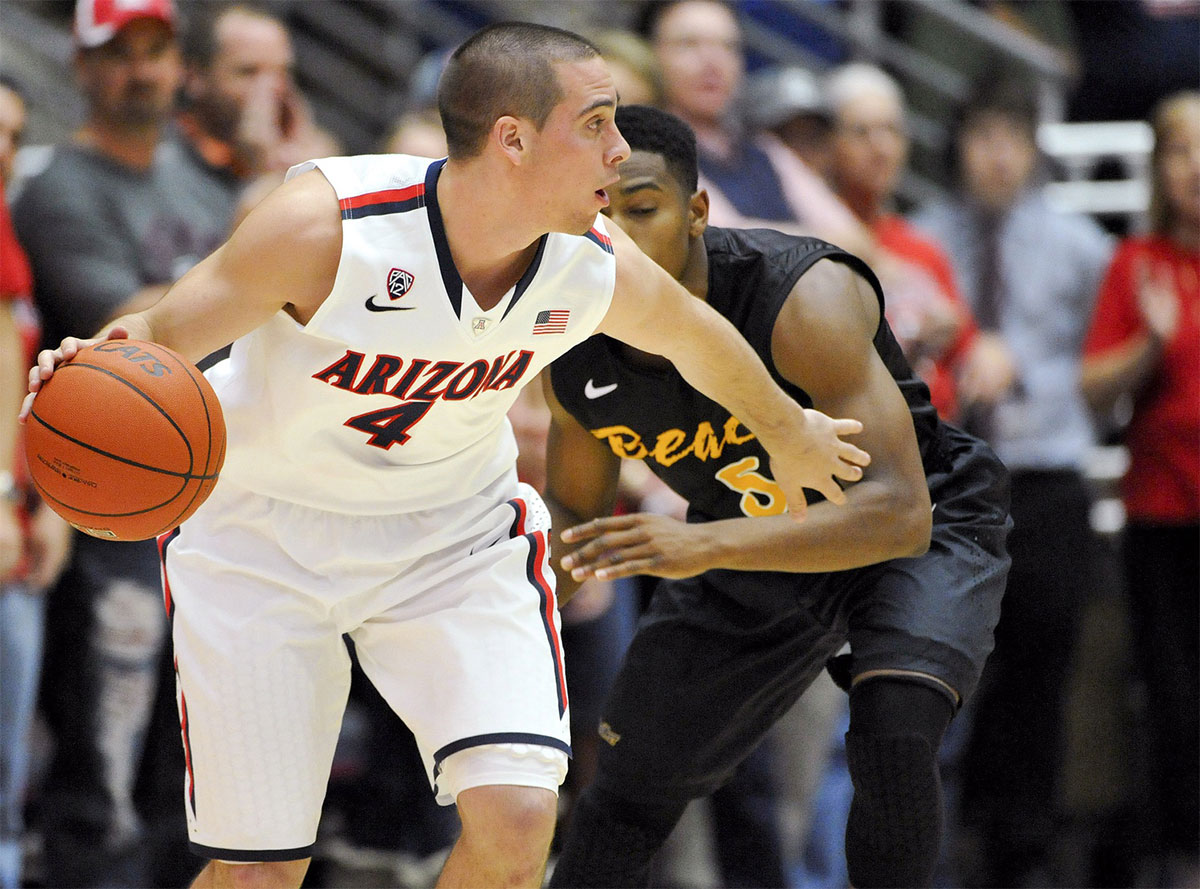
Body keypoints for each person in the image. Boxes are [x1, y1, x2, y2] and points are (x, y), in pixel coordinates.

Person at [22, 23, 869, 889]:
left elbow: (699, 337)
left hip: (449, 537)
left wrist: (789, 429)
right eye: (598, 124)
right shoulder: (329, 227)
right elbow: (160, 333)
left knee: (518, 822)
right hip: (262, 536)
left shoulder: (589, 264)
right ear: (513, 138)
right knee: (260, 873)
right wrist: (88, 365)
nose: (621, 151)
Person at [544, 103, 1011, 889]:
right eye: (595, 213)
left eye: (642, 209)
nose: (616, 238)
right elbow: (573, 525)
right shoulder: (573, 349)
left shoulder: (804, 293)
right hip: (748, 535)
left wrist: (705, 546)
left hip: (917, 518)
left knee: (894, 732)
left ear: (697, 211)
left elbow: (897, 513)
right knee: (625, 793)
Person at [11, 0, 229, 883]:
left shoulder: (206, 185)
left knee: (190, 750)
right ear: (82, 64)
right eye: (120, 52)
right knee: (103, 745)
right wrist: (248, 278)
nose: (141, 70)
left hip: (210, 494)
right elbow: (126, 328)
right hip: (107, 500)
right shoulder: (58, 185)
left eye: (157, 49)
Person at [911, 76, 1113, 887]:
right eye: (982, 136)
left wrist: (1026, 364)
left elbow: (1110, 358)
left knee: (1042, 667)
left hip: (1046, 475)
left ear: (1033, 150)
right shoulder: (918, 238)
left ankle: (1021, 852)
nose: (997, 155)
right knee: (939, 672)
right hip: (948, 482)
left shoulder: (1082, 244)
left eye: (1013, 137)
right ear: (957, 144)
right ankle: (931, 846)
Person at [1081, 90, 1199, 889]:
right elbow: (1091, 391)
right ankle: (1182, 860)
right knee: (1176, 703)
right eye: (1182, 150)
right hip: (1166, 519)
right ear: (1160, 168)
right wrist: (1149, 344)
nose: (1197, 167)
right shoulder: (1139, 264)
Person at [824, 62, 1014, 423]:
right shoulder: (812, 237)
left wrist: (987, 351)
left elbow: (968, 343)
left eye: (890, 131)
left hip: (936, 437)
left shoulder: (921, 247)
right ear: (831, 144)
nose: (879, 147)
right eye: (861, 132)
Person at [0, 76, 71, 889]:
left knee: (11, 789)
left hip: (18, 531)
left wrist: (48, 497)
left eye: (16, 134)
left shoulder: (12, 242)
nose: (5, 151)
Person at [638, 0, 865, 249]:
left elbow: (856, 241)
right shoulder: (649, 154)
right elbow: (719, 240)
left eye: (727, 46)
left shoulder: (764, 149)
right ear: (650, 54)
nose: (712, 62)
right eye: (689, 44)